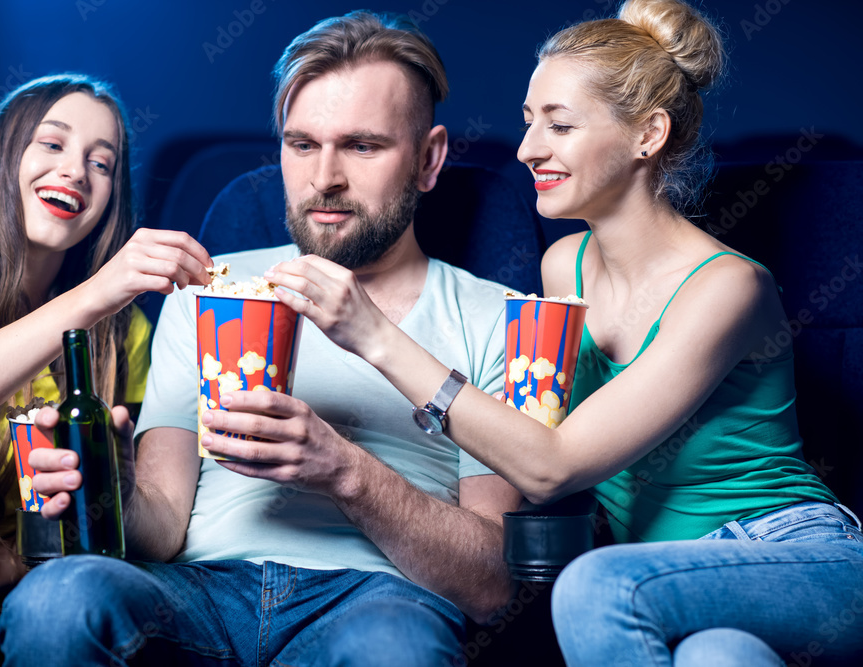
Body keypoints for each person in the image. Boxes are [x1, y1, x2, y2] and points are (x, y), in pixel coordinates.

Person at [258, 0, 863, 664]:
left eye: (560, 125)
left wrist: (375, 336)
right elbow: (525, 440)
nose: (527, 149)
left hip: (794, 552)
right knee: (720, 658)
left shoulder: (729, 288)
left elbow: (555, 464)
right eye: (527, 123)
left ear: (648, 134)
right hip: (677, 579)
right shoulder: (563, 266)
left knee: (595, 587)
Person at [0, 11, 522, 667]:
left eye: (362, 146)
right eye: (302, 144)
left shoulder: (496, 316)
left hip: (378, 597)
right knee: (54, 600)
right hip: (198, 590)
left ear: (428, 158)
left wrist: (345, 472)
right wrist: (114, 484)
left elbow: (491, 583)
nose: (324, 177)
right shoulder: (206, 288)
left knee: (396, 648)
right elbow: (160, 526)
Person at [0, 74, 212, 666]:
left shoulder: (122, 336)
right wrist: (99, 293)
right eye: (52, 145)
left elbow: (100, 532)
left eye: (101, 165)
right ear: (0, 158)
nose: (76, 170)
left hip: (3, 604)